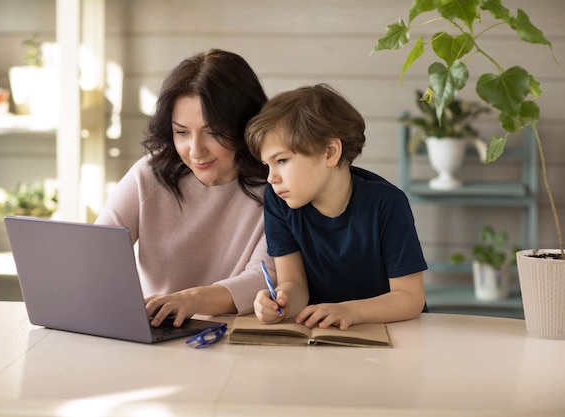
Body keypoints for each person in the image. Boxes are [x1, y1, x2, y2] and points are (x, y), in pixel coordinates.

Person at [96, 49, 274, 328]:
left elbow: (264, 277)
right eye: (181, 132)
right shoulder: (149, 175)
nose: (195, 151)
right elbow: (97, 250)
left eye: (213, 132)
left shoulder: (277, 186)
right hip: (154, 332)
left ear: (245, 125)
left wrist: (191, 300)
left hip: (236, 337)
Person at [245, 83, 428, 330]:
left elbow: (410, 298)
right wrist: (282, 301)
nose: (271, 177)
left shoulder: (387, 203)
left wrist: (347, 311)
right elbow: (295, 285)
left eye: (282, 160)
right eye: (267, 165)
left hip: (394, 332)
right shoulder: (278, 200)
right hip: (324, 333)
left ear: (330, 152)